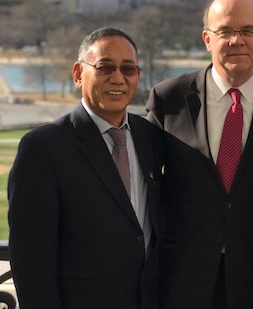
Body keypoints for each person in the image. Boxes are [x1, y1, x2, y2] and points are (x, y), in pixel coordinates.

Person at [146, 0, 253, 309]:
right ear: (207, 38)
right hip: (182, 280)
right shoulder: (169, 99)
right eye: (225, 31)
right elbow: (144, 187)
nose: (237, 40)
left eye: (247, 31)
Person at [8, 27, 164, 309]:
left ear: (137, 76)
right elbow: (31, 260)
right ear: (79, 74)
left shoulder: (151, 137)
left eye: (128, 69)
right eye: (105, 67)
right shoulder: (43, 148)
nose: (117, 77)